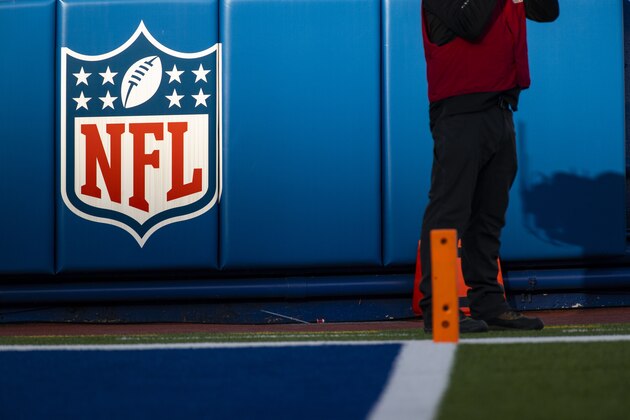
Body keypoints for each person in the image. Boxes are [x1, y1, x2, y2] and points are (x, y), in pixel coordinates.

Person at [419, 0, 559, 333]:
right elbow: (471, 23)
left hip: (500, 111)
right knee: (448, 213)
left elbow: (546, 10)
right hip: (459, 113)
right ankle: (439, 309)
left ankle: (489, 303)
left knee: (488, 216)